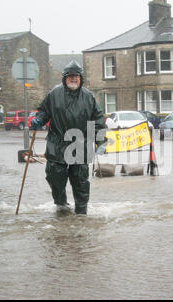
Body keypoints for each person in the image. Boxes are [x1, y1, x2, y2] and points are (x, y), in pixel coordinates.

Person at [31, 60, 107, 215]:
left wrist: (100, 140)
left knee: (80, 182)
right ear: (65, 78)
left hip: (80, 145)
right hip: (57, 144)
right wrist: (39, 119)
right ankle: (62, 208)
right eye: (71, 76)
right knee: (55, 179)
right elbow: (44, 111)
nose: (74, 79)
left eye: (77, 76)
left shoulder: (88, 97)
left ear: (81, 78)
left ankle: (81, 213)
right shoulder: (54, 94)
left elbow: (98, 120)